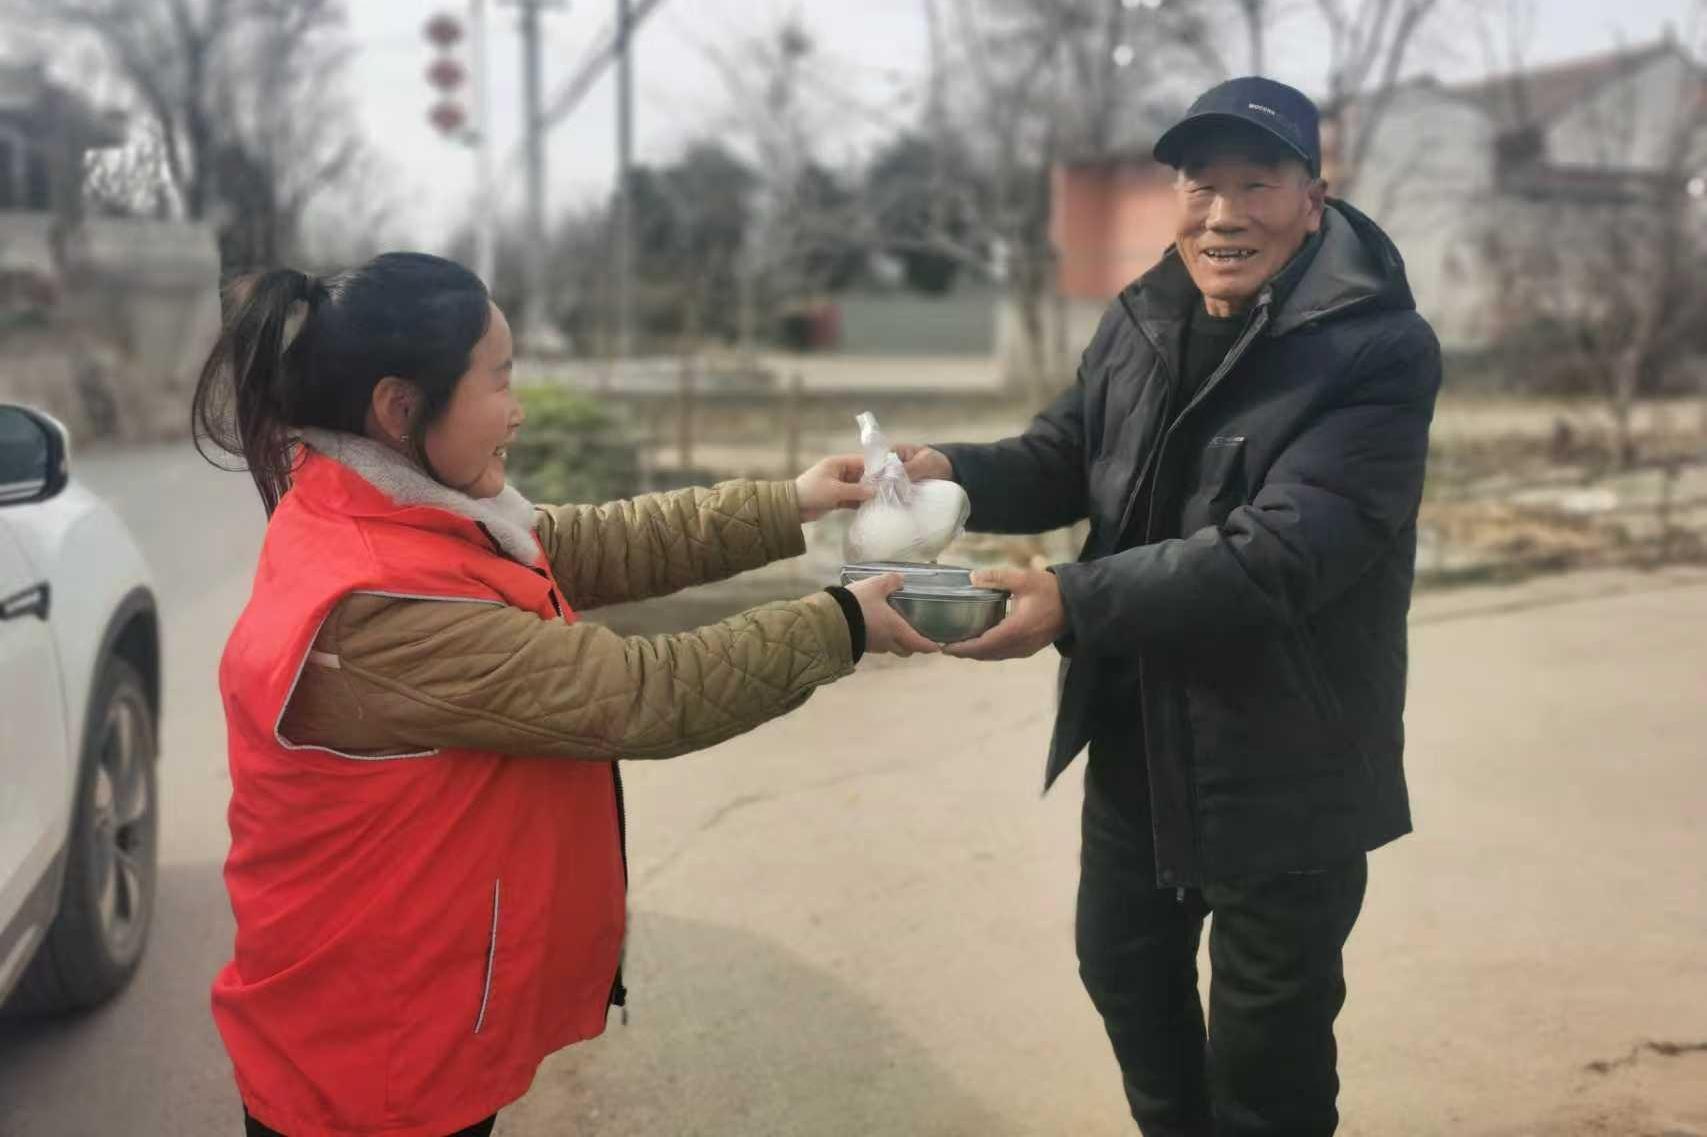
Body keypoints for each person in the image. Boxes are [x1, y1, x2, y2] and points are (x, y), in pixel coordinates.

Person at [192, 252, 937, 1137]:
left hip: (403, 1012)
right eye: (499, 380)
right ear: (399, 407)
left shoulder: (393, 507)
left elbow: (589, 542)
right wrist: (842, 623)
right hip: (372, 1066)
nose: (518, 409)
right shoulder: (376, 604)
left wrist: (791, 503)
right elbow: (638, 694)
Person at [896, 77, 1442, 1135]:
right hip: (1140, 734)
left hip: (1287, 764)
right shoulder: (1145, 314)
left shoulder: (1378, 351)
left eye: (1257, 183)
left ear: (1315, 199)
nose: (1223, 213)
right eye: (1201, 185)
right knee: (1126, 979)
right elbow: (1068, 456)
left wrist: (1071, 600)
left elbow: (1278, 555)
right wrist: (941, 473)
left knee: (1266, 1067)